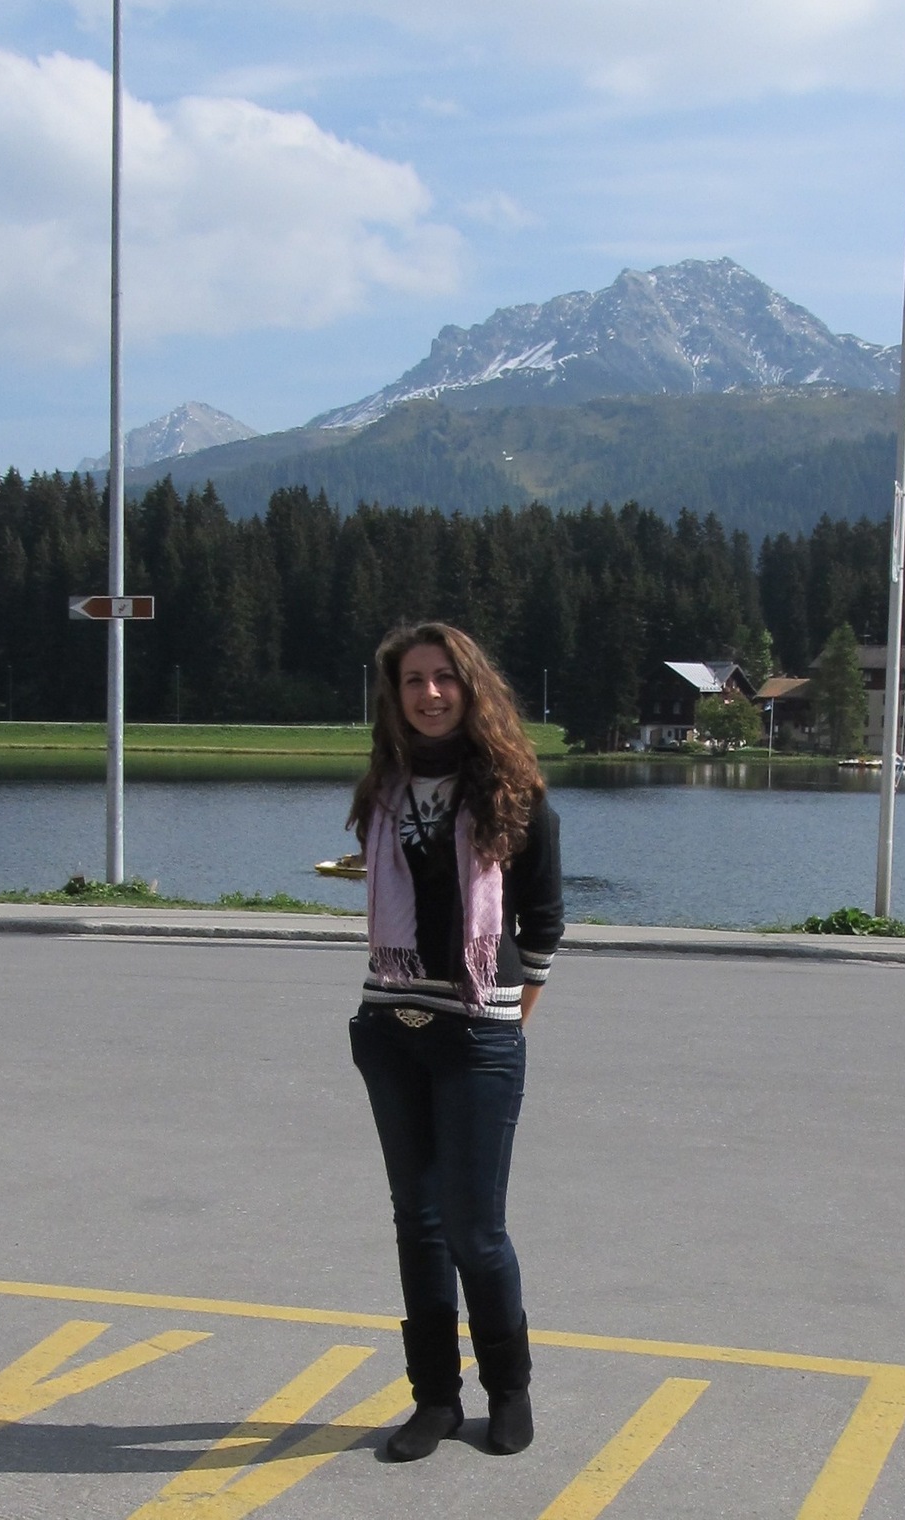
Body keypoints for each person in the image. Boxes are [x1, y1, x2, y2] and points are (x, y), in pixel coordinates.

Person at [347, 621, 564, 1462]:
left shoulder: (516, 795)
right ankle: (434, 1398)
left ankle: (509, 1392)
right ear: (394, 695)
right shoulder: (382, 791)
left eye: (444, 678)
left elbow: (541, 924)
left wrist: (506, 1022)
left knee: (476, 1230)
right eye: (413, 680)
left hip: (477, 1035)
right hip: (389, 1028)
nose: (429, 694)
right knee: (418, 1222)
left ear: (471, 689)